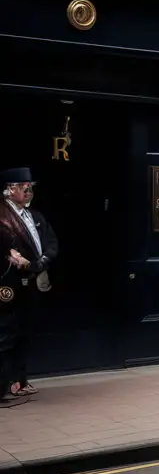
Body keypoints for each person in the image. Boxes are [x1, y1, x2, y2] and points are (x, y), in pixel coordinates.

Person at [1, 167, 58, 400]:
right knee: (5, 335)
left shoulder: (35, 216)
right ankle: (3, 385)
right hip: (9, 285)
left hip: (32, 282)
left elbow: (51, 242)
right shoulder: (3, 217)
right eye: (23, 187)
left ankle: (19, 381)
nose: (28, 191)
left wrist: (43, 260)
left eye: (31, 187)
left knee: (25, 333)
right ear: (8, 190)